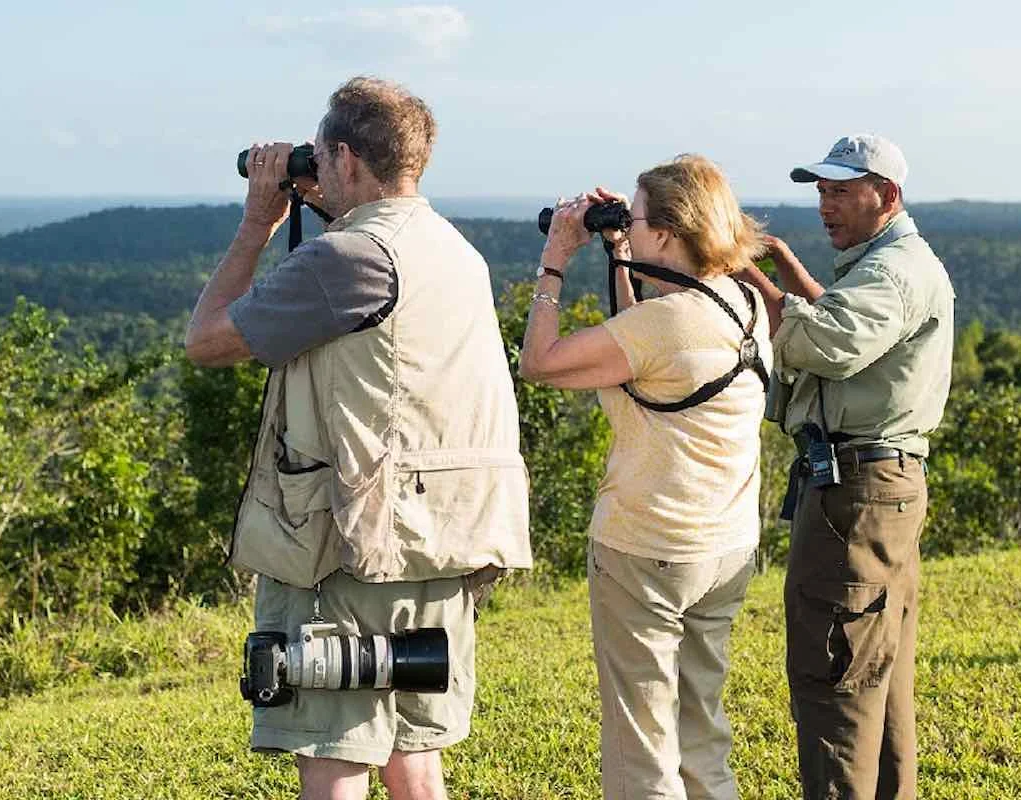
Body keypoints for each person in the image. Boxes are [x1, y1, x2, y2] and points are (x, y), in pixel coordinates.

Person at [185, 77, 531, 800]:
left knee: (335, 759)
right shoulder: (456, 252)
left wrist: (258, 221)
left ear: (342, 157)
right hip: (441, 537)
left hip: (349, 545)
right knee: (414, 759)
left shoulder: (349, 259)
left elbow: (208, 341)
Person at [520, 154, 772, 799]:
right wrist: (617, 250)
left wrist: (555, 260)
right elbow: (644, 354)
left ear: (665, 233)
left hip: (648, 548)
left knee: (642, 749)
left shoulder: (664, 325)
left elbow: (541, 363)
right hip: (724, 550)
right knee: (701, 734)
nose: (628, 229)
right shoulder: (742, 304)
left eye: (635, 220)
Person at [736, 134, 955, 799]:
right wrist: (781, 263)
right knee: (875, 677)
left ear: (885, 195)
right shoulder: (888, 262)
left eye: (840, 193)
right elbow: (832, 313)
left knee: (834, 679)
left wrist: (744, 274)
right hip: (877, 487)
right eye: (821, 193)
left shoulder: (893, 272)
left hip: (855, 494)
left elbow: (822, 341)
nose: (825, 206)